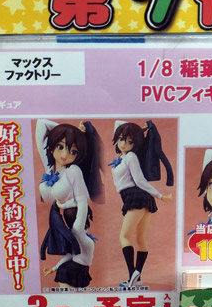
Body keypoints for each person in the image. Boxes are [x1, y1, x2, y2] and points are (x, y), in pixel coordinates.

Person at [37, 119, 102, 289]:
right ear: (52, 147)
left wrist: (78, 226)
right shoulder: (50, 169)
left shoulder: (73, 171)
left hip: (77, 267)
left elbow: (82, 201)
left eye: (73, 151)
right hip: (70, 265)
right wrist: (71, 132)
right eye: (60, 147)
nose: (65, 154)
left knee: (67, 286)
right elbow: (41, 124)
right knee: (67, 287)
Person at [110, 121, 172, 288]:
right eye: (121, 139)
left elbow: (140, 180)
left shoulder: (131, 157)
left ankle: (132, 274)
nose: (124, 144)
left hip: (135, 196)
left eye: (130, 142)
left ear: (135, 144)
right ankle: (138, 279)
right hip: (137, 197)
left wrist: (160, 195)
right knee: (140, 238)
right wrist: (138, 130)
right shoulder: (122, 158)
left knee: (124, 236)